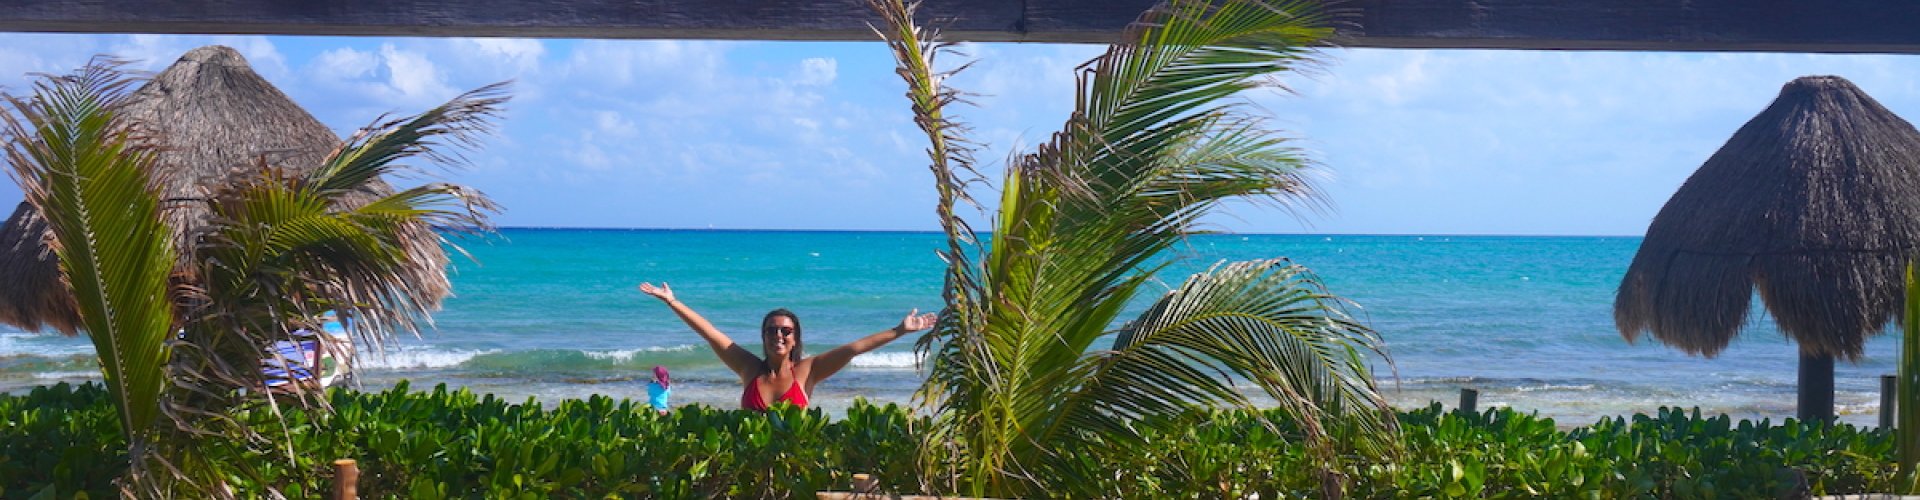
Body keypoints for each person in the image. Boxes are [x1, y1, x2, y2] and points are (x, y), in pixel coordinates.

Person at [637, 282, 934, 411]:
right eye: (772, 330)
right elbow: (711, 333)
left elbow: (854, 348)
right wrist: (672, 302)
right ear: (763, 335)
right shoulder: (749, 368)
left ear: (795, 338)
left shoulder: (809, 370)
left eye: (786, 331)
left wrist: (899, 331)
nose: (778, 335)